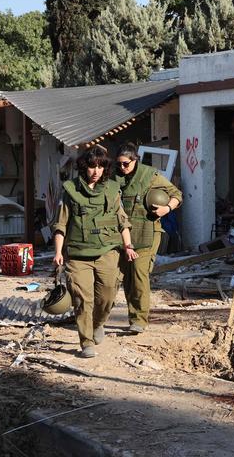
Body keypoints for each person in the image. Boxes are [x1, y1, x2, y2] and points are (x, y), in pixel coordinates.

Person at [52, 146, 138, 358]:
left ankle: (98, 323)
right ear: (84, 167)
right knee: (82, 298)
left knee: (107, 294)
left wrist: (128, 246)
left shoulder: (111, 190)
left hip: (108, 251)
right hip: (78, 254)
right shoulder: (71, 190)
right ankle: (86, 341)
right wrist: (58, 252)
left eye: (100, 166)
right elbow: (60, 225)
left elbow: (122, 221)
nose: (96, 170)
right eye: (92, 166)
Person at [113, 142, 182, 334]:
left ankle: (139, 320)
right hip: (122, 235)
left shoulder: (150, 176)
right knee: (124, 277)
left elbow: (176, 194)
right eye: (119, 164)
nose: (122, 168)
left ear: (135, 160)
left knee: (138, 275)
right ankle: (131, 315)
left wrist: (166, 208)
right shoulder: (114, 177)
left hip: (146, 233)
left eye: (126, 164)